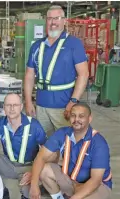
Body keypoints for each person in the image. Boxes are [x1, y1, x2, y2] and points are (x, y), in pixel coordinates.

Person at [29, 103, 112, 199]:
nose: (76, 119)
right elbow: (41, 157)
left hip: (97, 185)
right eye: (73, 115)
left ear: (89, 119)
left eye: (81, 116)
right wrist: (34, 184)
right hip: (72, 180)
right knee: (44, 169)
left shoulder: (99, 143)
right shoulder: (63, 133)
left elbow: (96, 180)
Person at [24, 5, 89, 136]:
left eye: (56, 18)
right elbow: (29, 75)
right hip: (41, 106)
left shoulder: (74, 44)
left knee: (65, 143)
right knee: (44, 145)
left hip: (63, 106)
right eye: (49, 19)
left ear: (64, 21)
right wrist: (28, 102)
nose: (53, 22)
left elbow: (84, 74)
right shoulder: (37, 46)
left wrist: (73, 101)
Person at [0, 93, 47, 199]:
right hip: (8, 164)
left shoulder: (34, 125)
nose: (12, 109)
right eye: (8, 105)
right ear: (4, 108)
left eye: (15, 105)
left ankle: (35, 186)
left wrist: (34, 173)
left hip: (28, 167)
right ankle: (1, 189)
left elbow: (47, 154)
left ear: (21, 107)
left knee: (29, 196)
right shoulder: (0, 123)